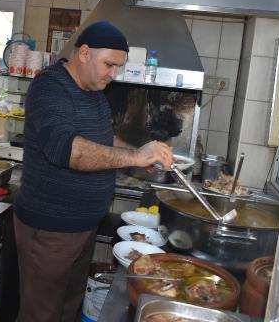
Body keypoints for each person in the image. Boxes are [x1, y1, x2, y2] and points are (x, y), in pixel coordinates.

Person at [13, 21, 174, 322]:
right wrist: (136, 156)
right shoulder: (50, 87)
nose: (113, 74)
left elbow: (104, 140)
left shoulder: (94, 92)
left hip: (82, 226)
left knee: (68, 309)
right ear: (85, 53)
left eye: (118, 67)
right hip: (50, 229)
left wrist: (139, 156)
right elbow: (67, 150)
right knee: (41, 315)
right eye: (109, 65)